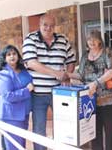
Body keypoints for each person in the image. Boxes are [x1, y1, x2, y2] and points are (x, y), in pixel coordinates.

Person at [22, 13, 76, 150]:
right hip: (38, 94)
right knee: (39, 129)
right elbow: (32, 63)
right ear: (40, 25)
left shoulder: (63, 40)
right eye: (45, 25)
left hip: (59, 93)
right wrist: (56, 73)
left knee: (64, 126)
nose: (48, 28)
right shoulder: (30, 39)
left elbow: (70, 61)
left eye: (52, 25)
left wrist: (67, 77)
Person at [68, 30, 112, 150]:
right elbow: (80, 75)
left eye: (94, 39)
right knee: (94, 134)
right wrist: (67, 74)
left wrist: (96, 83)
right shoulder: (85, 56)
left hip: (109, 101)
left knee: (111, 134)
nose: (92, 42)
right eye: (89, 39)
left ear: (99, 40)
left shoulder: (107, 52)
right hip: (91, 101)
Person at [0, 45, 34, 150]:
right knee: (13, 146)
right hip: (11, 115)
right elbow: (8, 96)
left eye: (14, 54)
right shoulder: (3, 74)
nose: (12, 56)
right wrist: (26, 90)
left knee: (21, 144)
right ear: (4, 58)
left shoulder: (23, 70)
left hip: (23, 114)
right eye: (8, 55)